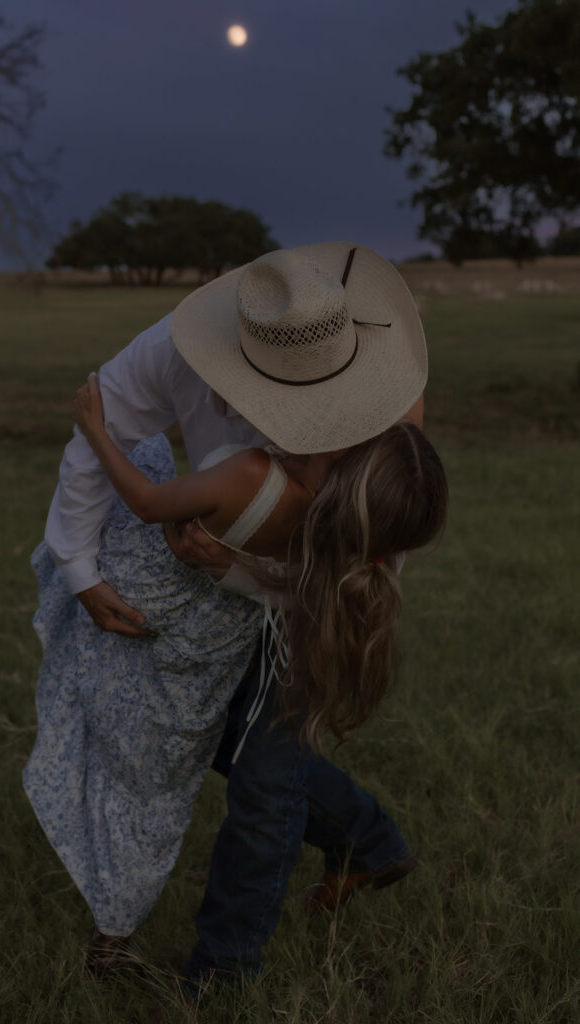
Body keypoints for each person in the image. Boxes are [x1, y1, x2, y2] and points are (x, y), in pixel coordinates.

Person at [36, 242, 434, 985]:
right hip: (235, 580)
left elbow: (363, 567)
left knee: (262, 782)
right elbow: (103, 432)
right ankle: (369, 843)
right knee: (223, 741)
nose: (301, 438)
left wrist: (247, 576)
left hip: (310, 599)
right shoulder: (172, 349)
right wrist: (79, 568)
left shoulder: (394, 395)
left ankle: (219, 981)